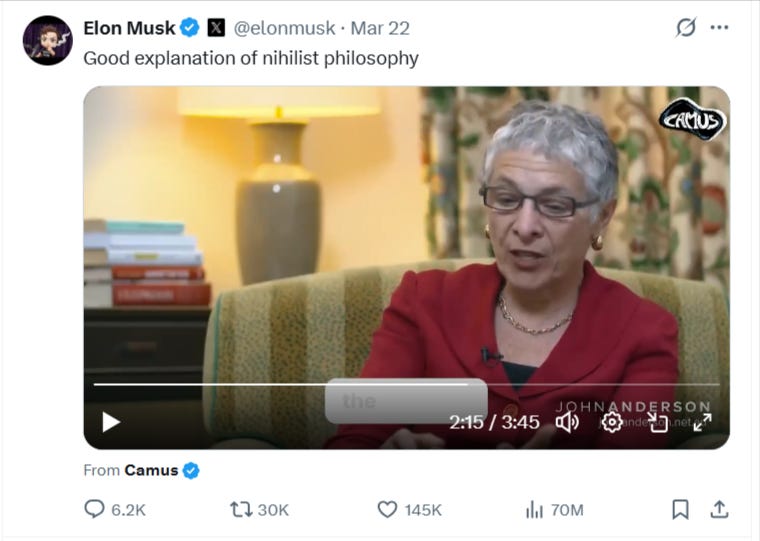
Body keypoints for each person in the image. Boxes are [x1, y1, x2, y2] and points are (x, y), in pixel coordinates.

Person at [325, 100, 679, 449]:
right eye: (506, 199)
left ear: (601, 217)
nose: (524, 227)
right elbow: (354, 444)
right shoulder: (424, 302)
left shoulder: (644, 333)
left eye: (554, 206)